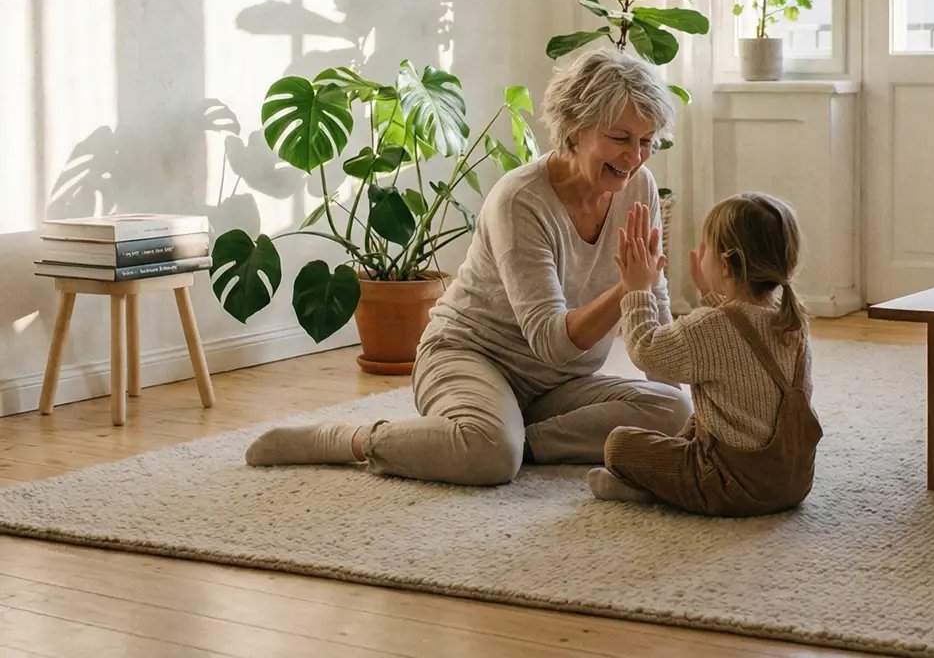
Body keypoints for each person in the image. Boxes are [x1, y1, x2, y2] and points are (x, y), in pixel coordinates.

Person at [245, 48, 692, 484]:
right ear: (575, 128)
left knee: (673, 411)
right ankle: (356, 439)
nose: (635, 157)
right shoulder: (520, 199)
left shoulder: (639, 187)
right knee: (491, 456)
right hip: (470, 357)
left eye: (647, 141)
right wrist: (626, 290)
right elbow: (552, 343)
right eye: (621, 138)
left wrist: (679, 370)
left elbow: (652, 298)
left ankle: (515, 441)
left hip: (559, 387)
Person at [587, 193, 821, 515]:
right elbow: (735, 349)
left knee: (619, 444)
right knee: (704, 415)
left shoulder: (711, 327)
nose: (699, 253)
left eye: (705, 246)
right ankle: (662, 483)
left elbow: (647, 351)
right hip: (792, 482)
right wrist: (711, 295)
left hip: (728, 485)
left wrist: (638, 290)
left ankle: (654, 490)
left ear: (724, 263)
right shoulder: (791, 319)